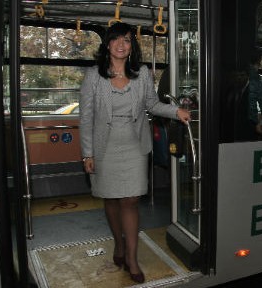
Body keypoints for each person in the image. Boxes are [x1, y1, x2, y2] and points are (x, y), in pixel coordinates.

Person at [79, 22, 190, 284]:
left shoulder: (141, 74)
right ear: (107, 44)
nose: (121, 45)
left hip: (134, 147)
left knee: (130, 201)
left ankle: (131, 257)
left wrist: (176, 111)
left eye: (127, 40)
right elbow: (85, 118)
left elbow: (152, 105)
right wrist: (87, 154)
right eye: (116, 39)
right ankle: (118, 243)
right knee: (111, 200)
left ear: (132, 46)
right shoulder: (94, 76)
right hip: (103, 148)